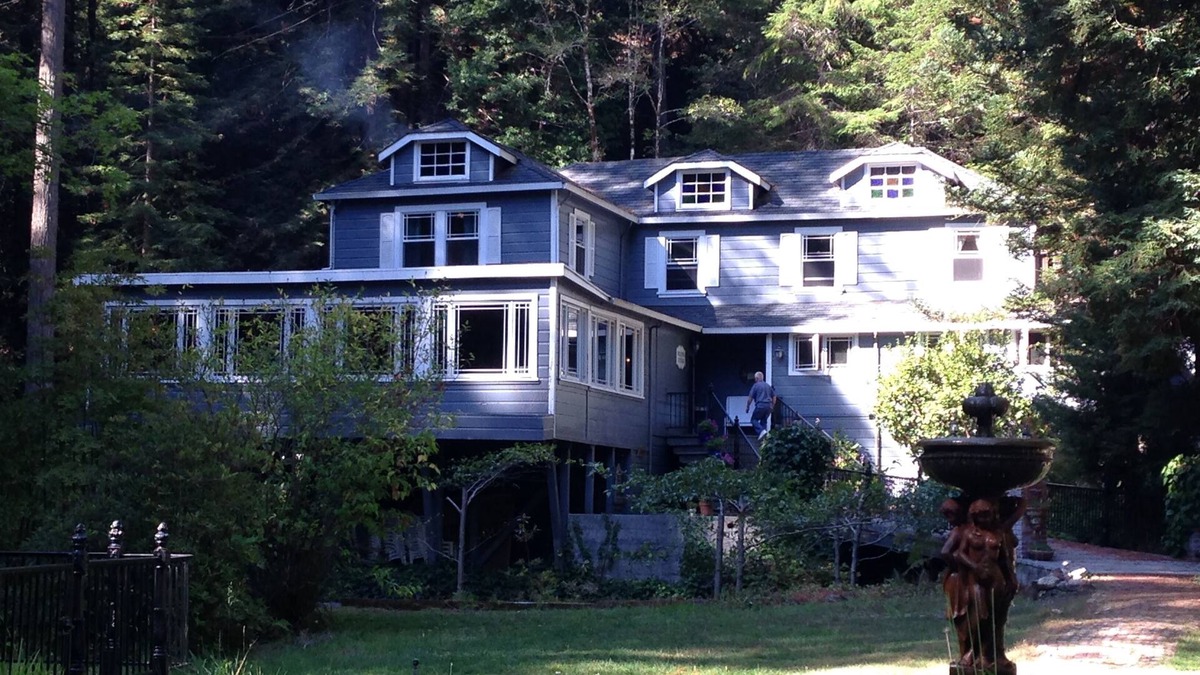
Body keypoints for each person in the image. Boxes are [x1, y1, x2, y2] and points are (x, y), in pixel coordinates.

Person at [745, 371, 776, 440]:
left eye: (755, 379)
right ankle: (763, 438)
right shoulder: (768, 386)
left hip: (761, 405)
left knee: (753, 420)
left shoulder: (756, 385)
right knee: (763, 421)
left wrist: (747, 406)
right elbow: (774, 396)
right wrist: (772, 406)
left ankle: (761, 431)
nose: (755, 380)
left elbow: (750, 397)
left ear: (756, 378)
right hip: (768, 407)